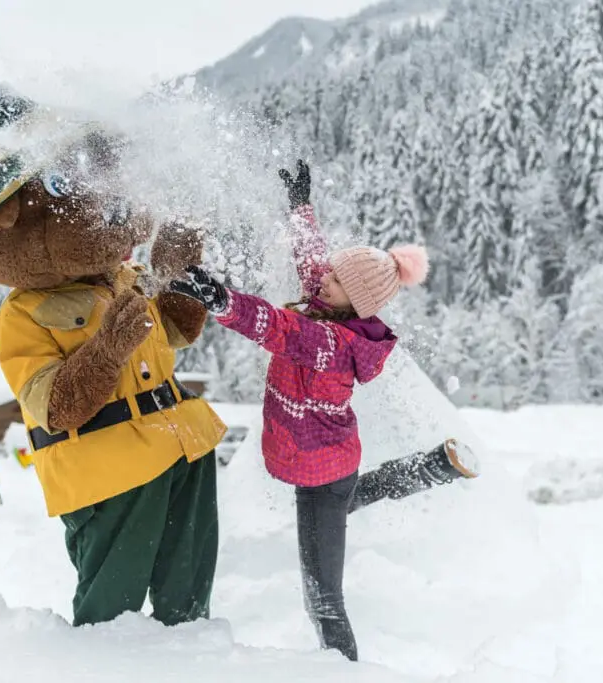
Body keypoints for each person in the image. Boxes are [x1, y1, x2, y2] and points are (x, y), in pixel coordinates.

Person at [168, 160, 433, 662]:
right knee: (348, 498)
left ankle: (345, 671)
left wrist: (220, 299)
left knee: (324, 601)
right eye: (331, 271)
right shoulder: (330, 300)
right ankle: (434, 466)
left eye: (335, 279)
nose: (323, 277)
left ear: (353, 303)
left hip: (322, 473)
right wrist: (299, 207)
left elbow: (275, 327)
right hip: (329, 463)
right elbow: (311, 257)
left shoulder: (330, 341)